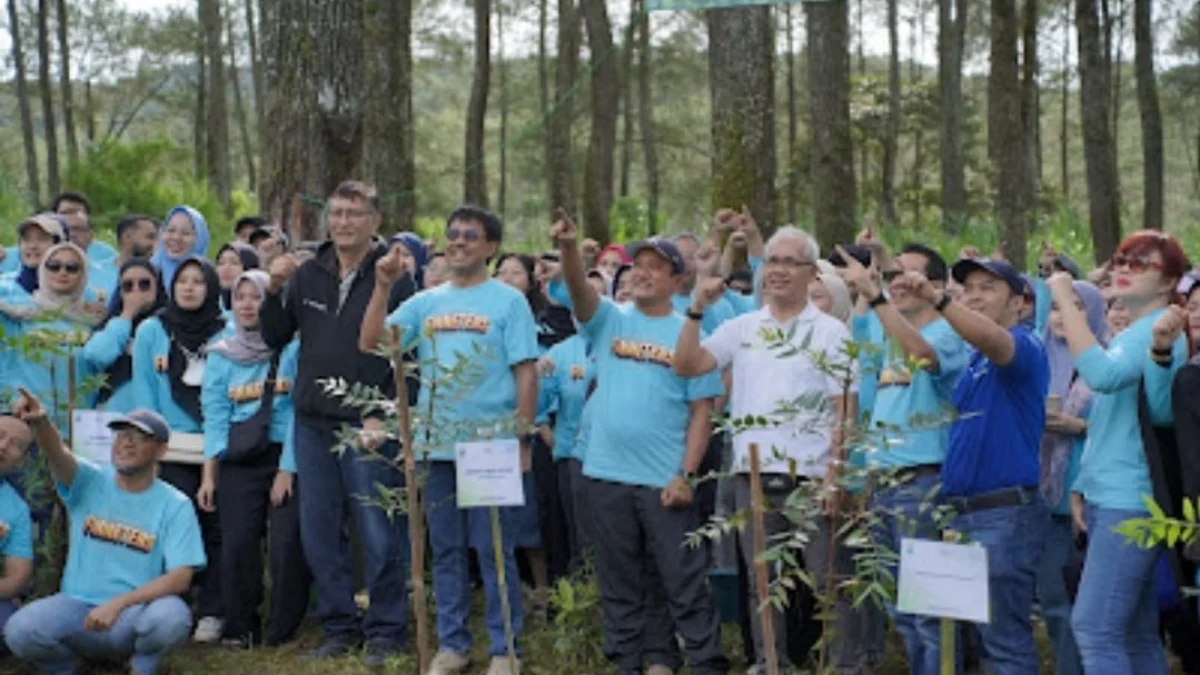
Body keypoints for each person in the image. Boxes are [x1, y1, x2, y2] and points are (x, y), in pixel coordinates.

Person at [675, 227, 864, 674]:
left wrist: (835, 476)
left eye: (789, 262)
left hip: (813, 477)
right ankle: (769, 664)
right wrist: (696, 309)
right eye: (772, 261)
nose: (777, 270)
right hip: (753, 475)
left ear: (811, 272)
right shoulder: (744, 327)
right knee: (763, 583)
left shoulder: (831, 333)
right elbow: (687, 365)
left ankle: (845, 666)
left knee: (829, 581)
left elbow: (845, 410)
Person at [360, 205, 538, 675]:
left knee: (493, 550)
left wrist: (522, 438)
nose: (458, 241)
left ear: (490, 247)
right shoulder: (427, 302)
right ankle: (453, 644)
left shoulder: (509, 302)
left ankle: (505, 648)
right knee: (446, 550)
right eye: (453, 233)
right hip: (436, 446)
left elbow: (526, 372)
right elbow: (372, 341)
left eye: (470, 235)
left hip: (490, 445)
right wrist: (382, 286)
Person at [551, 210, 729, 675]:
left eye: (656, 267)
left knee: (682, 579)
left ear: (677, 280)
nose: (642, 273)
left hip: (663, 480)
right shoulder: (610, 320)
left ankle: (705, 662)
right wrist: (568, 249)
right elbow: (579, 292)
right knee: (620, 581)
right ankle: (638, 661)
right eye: (637, 265)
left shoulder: (690, 333)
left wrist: (686, 474)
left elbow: (702, 413)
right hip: (604, 474)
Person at [258, 181, 411, 665]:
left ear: (375, 221)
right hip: (312, 422)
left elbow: (404, 353)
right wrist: (273, 288)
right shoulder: (309, 273)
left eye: (354, 213)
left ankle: (387, 630)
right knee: (320, 532)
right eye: (337, 212)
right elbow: (275, 335)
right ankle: (339, 626)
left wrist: (383, 411)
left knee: (377, 530)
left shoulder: (394, 275)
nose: (343, 222)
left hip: (368, 422)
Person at [898, 256, 1050, 675]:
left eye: (988, 287)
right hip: (959, 514)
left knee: (1004, 643)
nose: (975, 296)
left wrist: (939, 300)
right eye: (969, 288)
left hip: (1003, 514)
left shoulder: (1024, 345)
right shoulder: (972, 361)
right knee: (959, 640)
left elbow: (993, 340)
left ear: (1019, 302)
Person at [1050, 231, 1190, 675]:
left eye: (1140, 263)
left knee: (1094, 629)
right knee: (1133, 632)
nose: (1124, 269)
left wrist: (1066, 300)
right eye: (1120, 260)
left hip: (1128, 499)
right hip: (1113, 493)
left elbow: (1101, 376)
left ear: (1169, 282)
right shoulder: (1138, 333)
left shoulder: (1154, 331)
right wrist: (1082, 485)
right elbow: (1117, 420)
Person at [837, 242, 969, 675]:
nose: (897, 283)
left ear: (936, 286)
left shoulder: (950, 334)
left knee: (932, 611)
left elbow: (924, 356)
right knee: (900, 610)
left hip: (924, 483)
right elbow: (861, 333)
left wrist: (876, 296)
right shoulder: (887, 334)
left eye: (909, 275)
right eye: (893, 276)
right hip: (883, 481)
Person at [4, 396, 204, 675]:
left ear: (161, 450)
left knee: (171, 617)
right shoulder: (89, 480)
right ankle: (68, 667)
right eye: (121, 435)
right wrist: (40, 422)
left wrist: (118, 604)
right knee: (20, 630)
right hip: (76, 610)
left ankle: (141, 665)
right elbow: (57, 454)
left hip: (134, 615)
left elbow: (180, 576)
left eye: (140, 437)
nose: (127, 443)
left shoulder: (175, 504)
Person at [198, 270, 309, 649]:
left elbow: (298, 413)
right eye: (240, 297)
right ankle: (241, 626)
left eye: (256, 296)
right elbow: (215, 416)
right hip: (239, 456)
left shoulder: (292, 349)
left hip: (284, 454)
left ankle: (283, 627)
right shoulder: (221, 352)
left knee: (286, 544)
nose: (247, 305)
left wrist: (287, 469)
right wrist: (209, 475)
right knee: (238, 542)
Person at [132, 257, 227, 644]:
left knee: (216, 526)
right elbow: (144, 394)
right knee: (173, 527)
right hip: (168, 448)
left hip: (218, 444)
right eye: (182, 280)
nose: (189, 287)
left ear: (211, 287)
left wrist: (215, 449)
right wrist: (151, 449)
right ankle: (171, 605)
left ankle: (213, 609)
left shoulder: (229, 330)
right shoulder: (152, 330)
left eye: (198, 281)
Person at [1036, 280, 1105, 675]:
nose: (1063, 315)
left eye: (1076, 306)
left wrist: (1078, 426)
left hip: (1090, 499)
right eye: (1057, 307)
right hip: (1043, 497)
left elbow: (1126, 431)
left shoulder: (1106, 361)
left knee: (1089, 608)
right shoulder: (1038, 360)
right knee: (1054, 601)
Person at [0, 241, 104, 426]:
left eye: (72, 267)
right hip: (26, 420)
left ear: (83, 274)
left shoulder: (94, 321)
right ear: (42, 269)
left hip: (78, 425)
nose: (62, 272)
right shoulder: (17, 312)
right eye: (54, 266)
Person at [82, 260, 167, 411]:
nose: (136, 290)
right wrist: (127, 315)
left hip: (159, 413)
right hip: (115, 413)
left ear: (157, 287)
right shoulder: (111, 323)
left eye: (144, 284)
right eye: (128, 286)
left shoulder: (170, 324)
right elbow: (97, 355)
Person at [0, 415, 34, 648]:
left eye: (16, 444)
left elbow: (17, 578)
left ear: (21, 461)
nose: (3, 446)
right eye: (0, 435)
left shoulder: (16, 509)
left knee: (11, 626)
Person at [151, 207, 210, 294]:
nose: (176, 237)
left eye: (186, 233)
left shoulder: (208, 280)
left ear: (200, 240)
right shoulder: (145, 275)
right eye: (171, 230)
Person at [53, 191, 118, 263]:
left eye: (77, 230)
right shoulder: (45, 251)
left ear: (90, 235)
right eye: (66, 212)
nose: (71, 235)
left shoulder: (107, 256)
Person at [215, 243, 261, 315]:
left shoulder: (263, 309)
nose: (226, 268)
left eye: (234, 263)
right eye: (221, 263)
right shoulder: (209, 306)